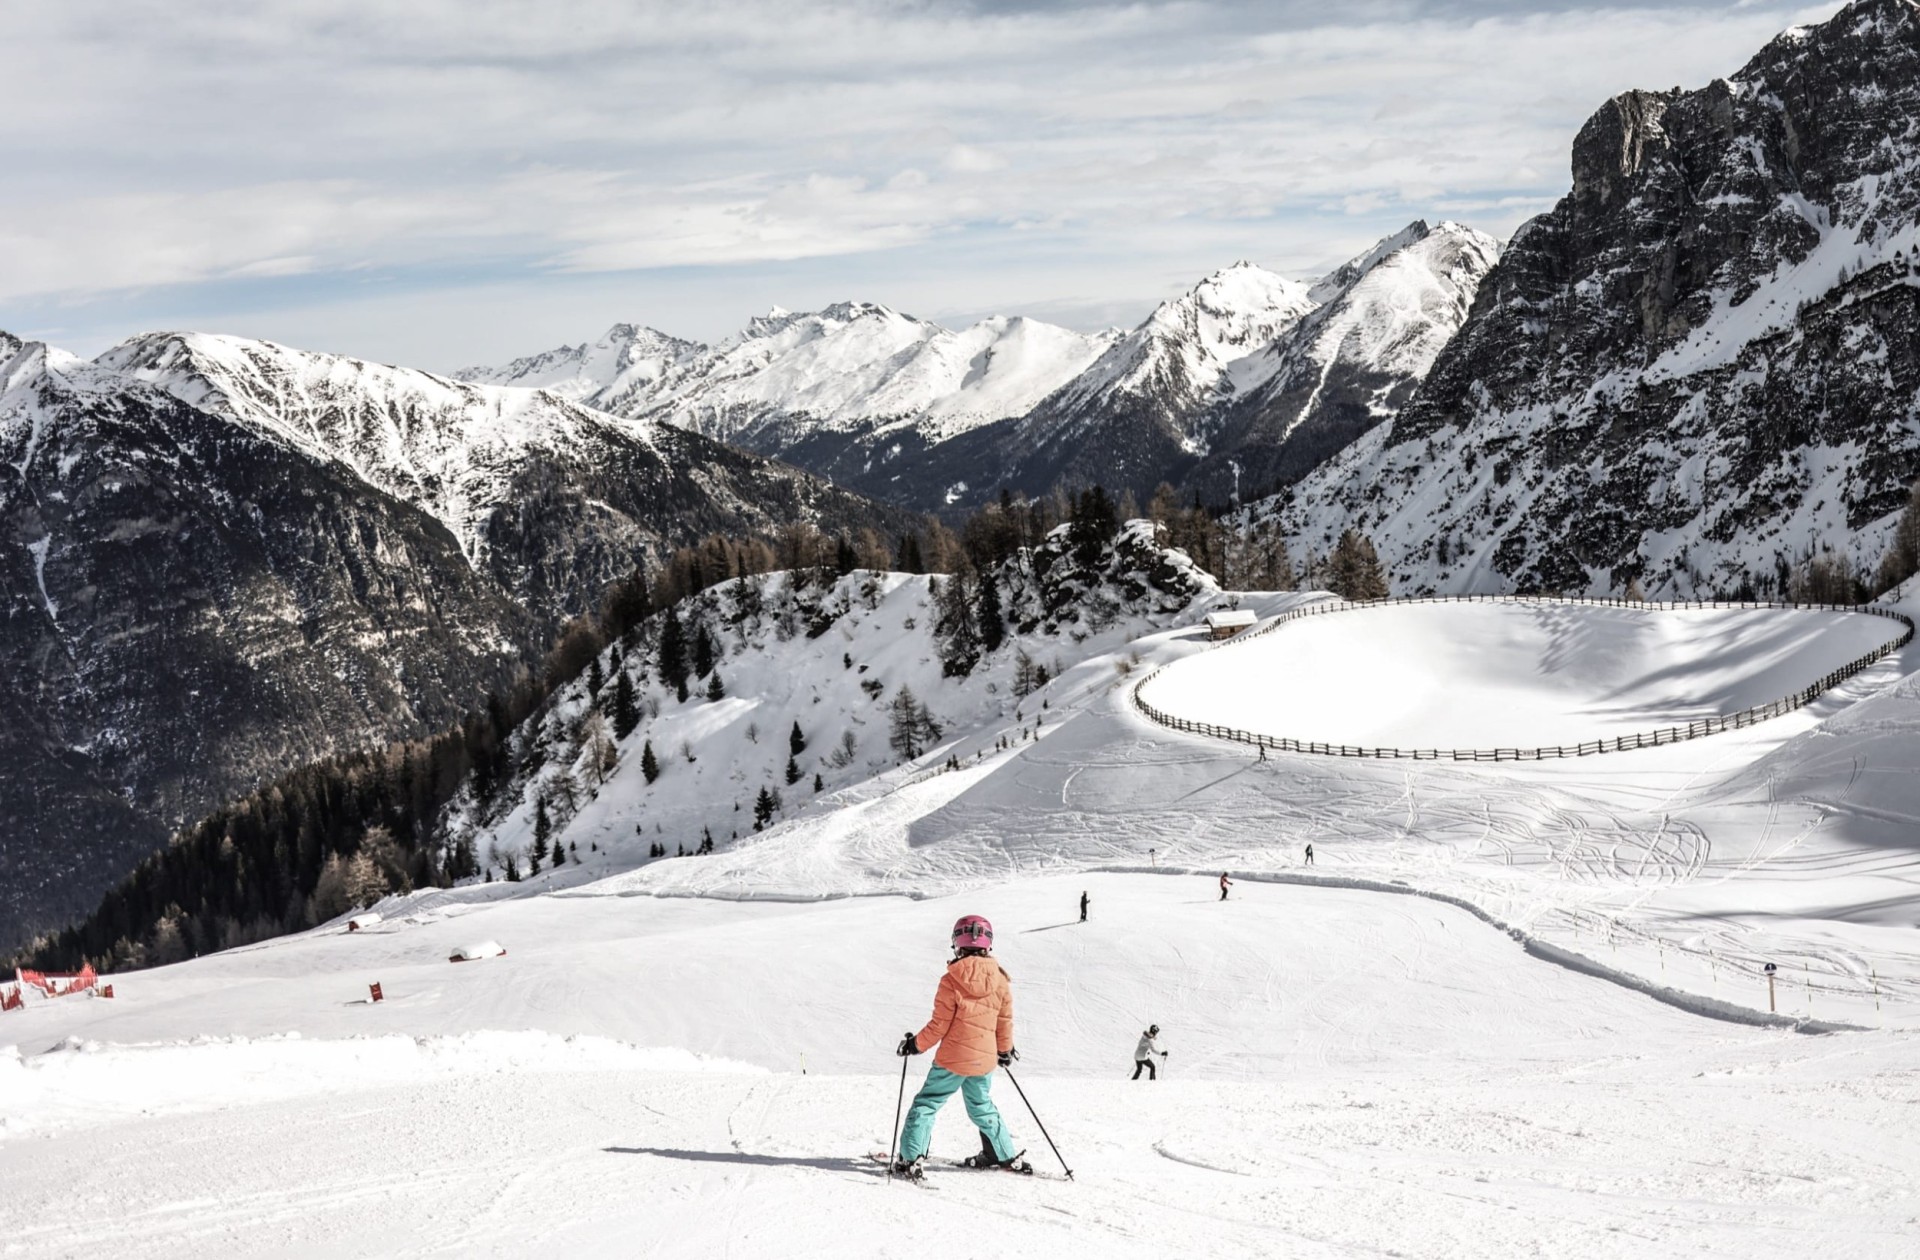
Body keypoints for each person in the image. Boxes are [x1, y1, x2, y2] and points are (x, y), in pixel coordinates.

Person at [891, 915, 1032, 1179]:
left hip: (952, 1061)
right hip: (984, 1060)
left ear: (957, 942)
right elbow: (1004, 1023)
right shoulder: (1001, 980)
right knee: (981, 1105)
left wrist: (915, 1045)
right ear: (988, 944)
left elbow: (939, 1025)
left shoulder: (951, 979)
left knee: (927, 1103)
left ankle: (910, 1159)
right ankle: (1003, 1155)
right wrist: (1004, 1051)